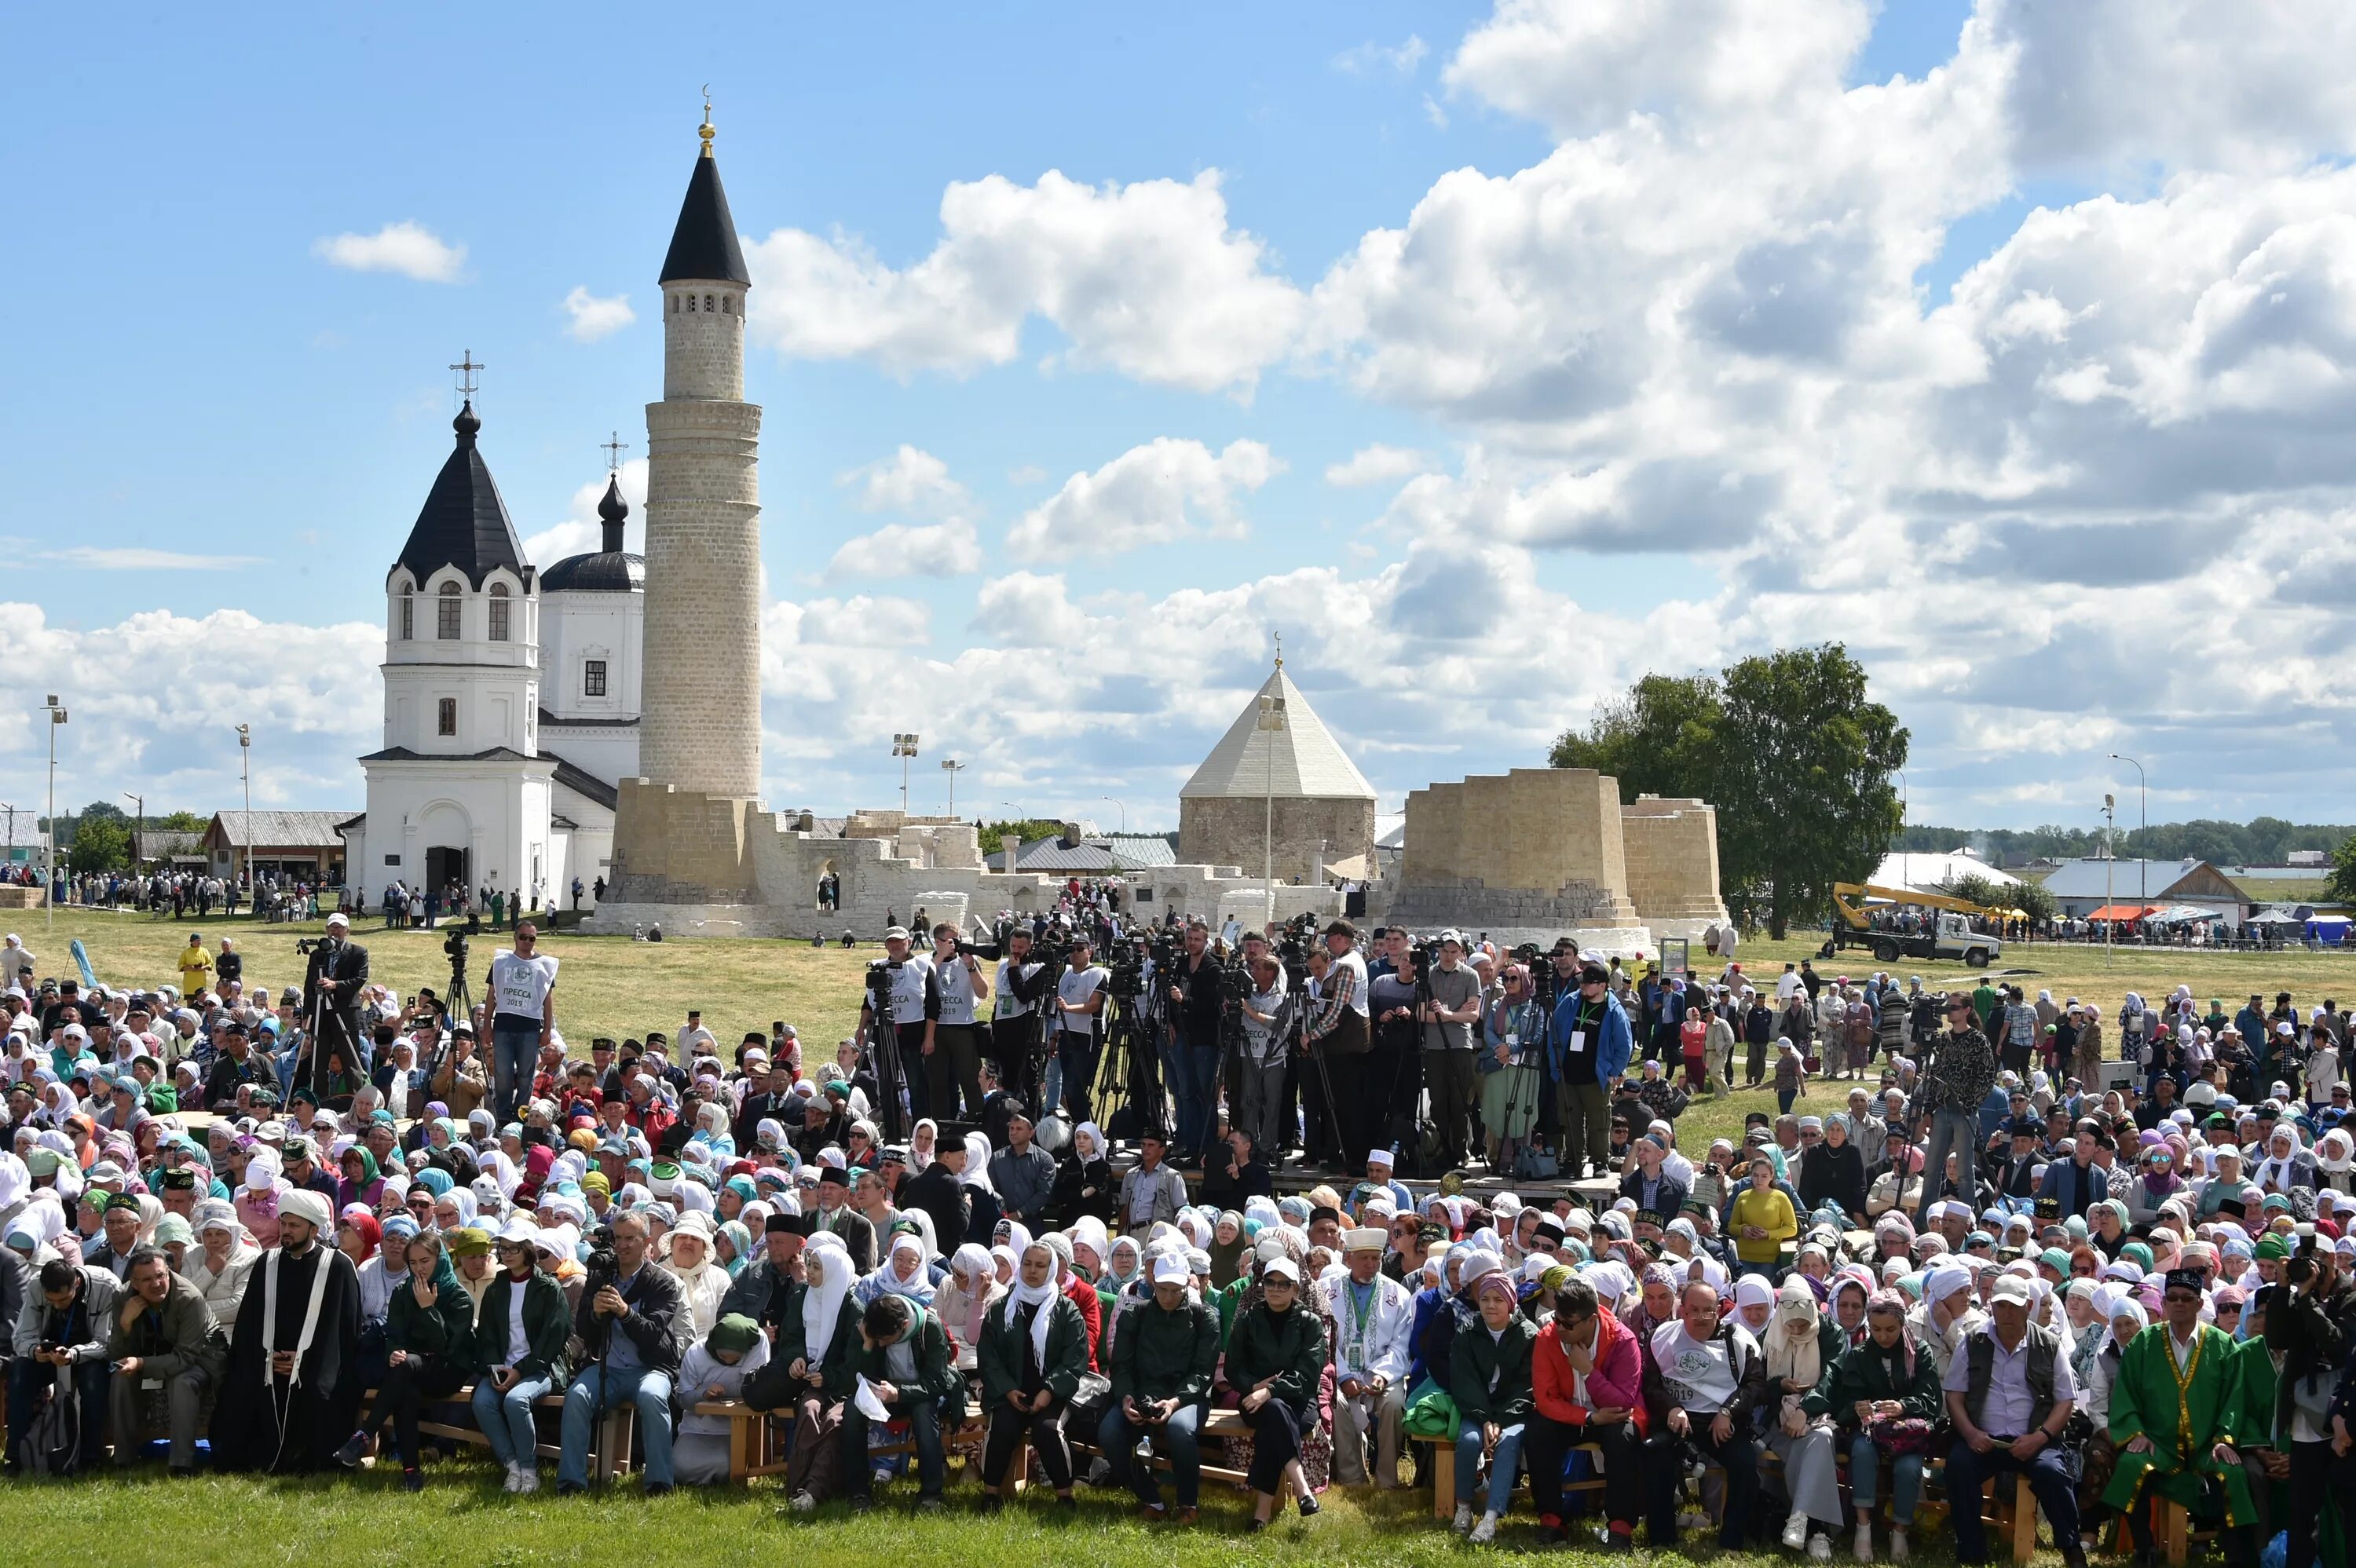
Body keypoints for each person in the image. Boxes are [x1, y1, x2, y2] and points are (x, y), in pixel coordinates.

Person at [2101, 1269, 2255, 1568]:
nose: (2179, 1303)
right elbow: (2126, 1396)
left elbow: (2234, 1399)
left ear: (2199, 1303)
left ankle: (2237, 1553)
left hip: (2207, 1444)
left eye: (2187, 1298)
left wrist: (2224, 1438)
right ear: (2165, 1303)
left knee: (2233, 1473)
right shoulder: (2143, 1344)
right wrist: (2136, 1432)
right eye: (2173, 1298)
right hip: (2159, 1444)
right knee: (2132, 1464)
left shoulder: (2223, 1346)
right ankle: (2144, 1549)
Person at [214, 1188, 364, 1474]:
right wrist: (268, 1358)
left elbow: (343, 1330)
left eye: (294, 1226)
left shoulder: (338, 1266)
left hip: (319, 1362)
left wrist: (303, 1360)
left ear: (314, 1228)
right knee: (240, 1388)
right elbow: (250, 1324)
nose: (287, 1231)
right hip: (268, 1360)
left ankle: (310, 1460)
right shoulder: (266, 1262)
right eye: (284, 1224)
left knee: (321, 1392)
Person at [1942, 1274, 2086, 1568]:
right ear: (1991, 1306)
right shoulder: (1971, 1342)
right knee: (1959, 1466)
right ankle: (1971, 1551)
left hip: (2034, 1438)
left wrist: (2041, 1437)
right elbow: (1954, 1396)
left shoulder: (2049, 1344)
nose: (2007, 1313)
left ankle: (2071, 1548)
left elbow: (2065, 1401)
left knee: (2053, 1472)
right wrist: (1970, 1434)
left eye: (2014, 1306)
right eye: (2001, 1306)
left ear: (2029, 1306)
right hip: (1984, 1439)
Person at [557, 1209, 686, 1494]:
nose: (623, 1245)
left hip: (650, 1368)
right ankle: (571, 1482)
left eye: (631, 1238)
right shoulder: (601, 1276)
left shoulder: (662, 1281)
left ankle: (659, 1483)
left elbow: (653, 1334)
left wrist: (625, 1312)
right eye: (618, 1238)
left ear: (646, 1241)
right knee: (576, 1396)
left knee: (653, 1397)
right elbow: (584, 1331)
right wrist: (595, 1314)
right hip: (608, 1368)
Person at [339, 1229, 473, 1488]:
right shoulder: (403, 1291)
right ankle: (412, 1472)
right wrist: (393, 1352)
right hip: (410, 1369)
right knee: (405, 1380)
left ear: (441, 1259)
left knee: (407, 1367)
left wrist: (428, 1309)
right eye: (413, 1263)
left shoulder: (459, 1298)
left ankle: (365, 1433)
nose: (419, 1268)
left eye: (426, 1261)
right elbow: (395, 1334)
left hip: (448, 1370)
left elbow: (445, 1346)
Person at [1643, 1277, 1766, 1551]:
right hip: (1679, 1419)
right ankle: (1661, 1538)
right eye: (1693, 1311)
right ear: (1682, 1311)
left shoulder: (1739, 1340)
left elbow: (1756, 1385)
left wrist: (1728, 1411)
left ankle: (1733, 1540)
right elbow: (1649, 1385)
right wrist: (1671, 1408)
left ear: (1719, 1311)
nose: (1700, 1317)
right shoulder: (1662, 1338)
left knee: (1745, 1464)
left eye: (1708, 1310)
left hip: (1721, 1421)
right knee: (1657, 1458)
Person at [1525, 1274, 1647, 1548]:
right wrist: (1589, 1417)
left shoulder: (1622, 1340)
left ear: (1591, 1319)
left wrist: (1588, 1371)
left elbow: (1624, 1401)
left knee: (1624, 1436)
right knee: (1537, 1431)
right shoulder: (1547, 1337)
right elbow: (1545, 1399)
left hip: (1613, 1416)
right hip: (1573, 1414)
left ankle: (1620, 1526)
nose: (1559, 1328)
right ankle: (1552, 1520)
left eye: (1567, 1324)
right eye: (1557, 1319)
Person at [1822, 1289, 1942, 1564]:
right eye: (1875, 1329)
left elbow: (1931, 1399)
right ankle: (1863, 1528)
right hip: (1868, 1431)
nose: (1883, 1336)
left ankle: (1900, 1531)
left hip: (1907, 1433)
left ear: (1903, 1324)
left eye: (1890, 1329)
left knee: (1910, 1468)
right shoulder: (1860, 1355)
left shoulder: (1919, 1351)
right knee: (1862, 1455)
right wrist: (1858, 1407)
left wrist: (1904, 1406)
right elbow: (1845, 1400)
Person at [1100, 1250, 1220, 1522]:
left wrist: (1175, 1402)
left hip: (1188, 1397)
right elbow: (1121, 1364)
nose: (1168, 1296)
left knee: (1179, 1429)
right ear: (1153, 1282)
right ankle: (1150, 1499)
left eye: (1176, 1290)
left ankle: (1188, 1503)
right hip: (1141, 1392)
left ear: (1187, 1284)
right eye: (1163, 1289)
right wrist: (1127, 1397)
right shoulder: (1134, 1314)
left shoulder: (1205, 1318)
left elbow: (1203, 1374)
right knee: (1109, 1432)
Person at [975, 1239, 1088, 1508]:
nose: (1032, 1271)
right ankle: (991, 1494)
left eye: (1040, 1265)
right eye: (1027, 1264)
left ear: (1051, 1270)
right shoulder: (1002, 1309)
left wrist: (1049, 1391)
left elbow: (1075, 1358)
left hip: (1053, 1396)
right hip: (1010, 1393)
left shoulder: (1066, 1311)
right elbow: (988, 1356)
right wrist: (1007, 1390)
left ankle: (1064, 1496)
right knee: (1002, 1427)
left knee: (1048, 1430)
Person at [836, 1291, 964, 1511]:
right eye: (878, 1340)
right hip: (886, 1394)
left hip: (925, 1394)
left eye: (886, 1339)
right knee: (852, 1409)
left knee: (924, 1411)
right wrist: (867, 1346)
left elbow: (937, 1382)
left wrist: (899, 1393)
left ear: (904, 1325)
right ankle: (858, 1493)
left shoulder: (929, 1327)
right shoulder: (870, 1325)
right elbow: (851, 1382)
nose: (882, 1345)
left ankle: (931, 1495)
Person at [1225, 1255, 1327, 1530]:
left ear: (1296, 1289)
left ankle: (1262, 1512)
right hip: (1253, 1400)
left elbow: (1308, 1376)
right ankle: (1303, 1489)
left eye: (1284, 1284)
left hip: (1299, 1402)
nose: (1276, 1288)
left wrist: (1270, 1391)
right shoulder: (1248, 1319)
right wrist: (1256, 1388)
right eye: (1270, 1282)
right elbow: (1234, 1369)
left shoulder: (1310, 1323)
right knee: (1273, 1412)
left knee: (1274, 1417)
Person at [105, 1246, 223, 1477]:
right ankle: (124, 1458)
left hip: (200, 1359)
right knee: (120, 1377)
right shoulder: (123, 1296)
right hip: (152, 1356)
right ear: (134, 1283)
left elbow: (185, 1358)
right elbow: (116, 1354)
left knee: (182, 1381)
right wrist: (125, 1324)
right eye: (147, 1280)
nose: (157, 1283)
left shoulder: (189, 1298)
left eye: (161, 1275)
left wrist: (140, 1363)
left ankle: (182, 1464)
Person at [470, 1220, 570, 1492]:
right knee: (482, 1401)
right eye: (503, 1248)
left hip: (541, 1369)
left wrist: (520, 1370)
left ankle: (529, 1471)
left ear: (528, 1250)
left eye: (514, 1248)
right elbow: (487, 1336)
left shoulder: (550, 1288)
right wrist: (495, 1370)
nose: (507, 1253)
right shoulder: (495, 1289)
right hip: (502, 1369)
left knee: (516, 1401)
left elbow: (553, 1338)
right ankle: (512, 1467)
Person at [9, 1256, 119, 1475]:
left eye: (64, 1300)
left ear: (76, 1284)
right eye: (52, 1301)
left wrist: (74, 1354)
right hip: (48, 1356)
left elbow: (109, 1344)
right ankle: (15, 1456)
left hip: (90, 1357)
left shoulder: (107, 1286)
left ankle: (91, 1457)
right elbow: (21, 1335)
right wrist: (35, 1351)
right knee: (21, 1372)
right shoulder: (35, 1285)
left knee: (93, 1381)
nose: (58, 1305)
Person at [1323, 1225, 1413, 1489]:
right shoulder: (1327, 1290)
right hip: (1341, 1373)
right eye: (1364, 1258)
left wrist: (1380, 1377)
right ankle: (1352, 1477)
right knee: (1333, 1399)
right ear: (1348, 1258)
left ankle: (1387, 1479)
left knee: (1394, 1403)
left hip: (1383, 1375)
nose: (1371, 1265)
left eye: (1376, 1258)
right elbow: (1324, 1338)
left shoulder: (1398, 1295)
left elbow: (1401, 1346)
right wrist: (1344, 1376)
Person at [1451, 1266, 1536, 1543]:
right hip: (1478, 1410)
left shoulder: (1528, 1335)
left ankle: (1490, 1518)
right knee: (1468, 1440)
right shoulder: (1468, 1331)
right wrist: (1485, 1419)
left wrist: (1501, 1421)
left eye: (1498, 1300)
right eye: (1485, 1299)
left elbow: (1528, 1386)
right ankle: (1463, 1507)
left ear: (1511, 1303)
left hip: (1513, 1413)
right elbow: (1464, 1380)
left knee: (1509, 1442)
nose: (1491, 1306)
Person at [1913, 992, 1997, 1231]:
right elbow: (1934, 1074)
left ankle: (1965, 1219)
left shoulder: (1978, 1040)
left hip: (1964, 1112)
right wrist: (1929, 1108)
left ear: (1967, 1010)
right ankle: (1923, 1220)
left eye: (1955, 1007)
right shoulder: (1943, 1040)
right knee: (1932, 1169)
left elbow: (1986, 1077)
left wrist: (1970, 1104)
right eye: (1948, 1007)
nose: (1950, 1011)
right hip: (1942, 1109)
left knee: (1964, 1171)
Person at [1552, 960, 1633, 1180]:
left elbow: (1624, 1046)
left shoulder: (1614, 1011)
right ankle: (1573, 1160)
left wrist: (1613, 1071)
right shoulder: (1570, 1002)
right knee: (1571, 1121)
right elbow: (1554, 1033)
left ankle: (1600, 1160)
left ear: (1603, 985)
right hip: (1567, 1075)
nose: (1584, 987)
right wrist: (1555, 1066)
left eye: (1590, 983)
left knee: (1599, 1121)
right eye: (1583, 982)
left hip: (1596, 1078)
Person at [673, 1313, 770, 1484]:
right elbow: (682, 1399)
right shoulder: (695, 1353)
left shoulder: (757, 1342)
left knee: (728, 1466)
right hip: (698, 1429)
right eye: (723, 1357)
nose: (729, 1362)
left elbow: (756, 1389)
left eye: (737, 1359)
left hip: (736, 1430)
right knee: (678, 1467)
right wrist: (703, 1395)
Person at [480, 922, 559, 1123]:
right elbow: (492, 994)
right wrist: (487, 1025)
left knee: (526, 1076)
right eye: (523, 937)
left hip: (530, 1028)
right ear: (515, 937)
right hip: (503, 1026)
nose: (527, 942)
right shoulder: (501, 962)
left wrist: (547, 1029)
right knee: (503, 1074)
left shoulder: (545, 965)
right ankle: (503, 1115)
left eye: (531, 938)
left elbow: (547, 999)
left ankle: (521, 1114)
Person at [302, 912, 372, 1079]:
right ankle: (319, 1100)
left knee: (351, 1064)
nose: (335, 931)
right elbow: (309, 986)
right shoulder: (317, 955)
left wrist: (335, 985)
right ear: (327, 930)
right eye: (332, 927)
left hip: (346, 1014)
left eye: (339, 928)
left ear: (347, 930)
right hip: (322, 1015)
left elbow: (359, 979)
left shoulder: (358, 952)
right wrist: (307, 1016)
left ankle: (353, 1100)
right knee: (319, 1064)